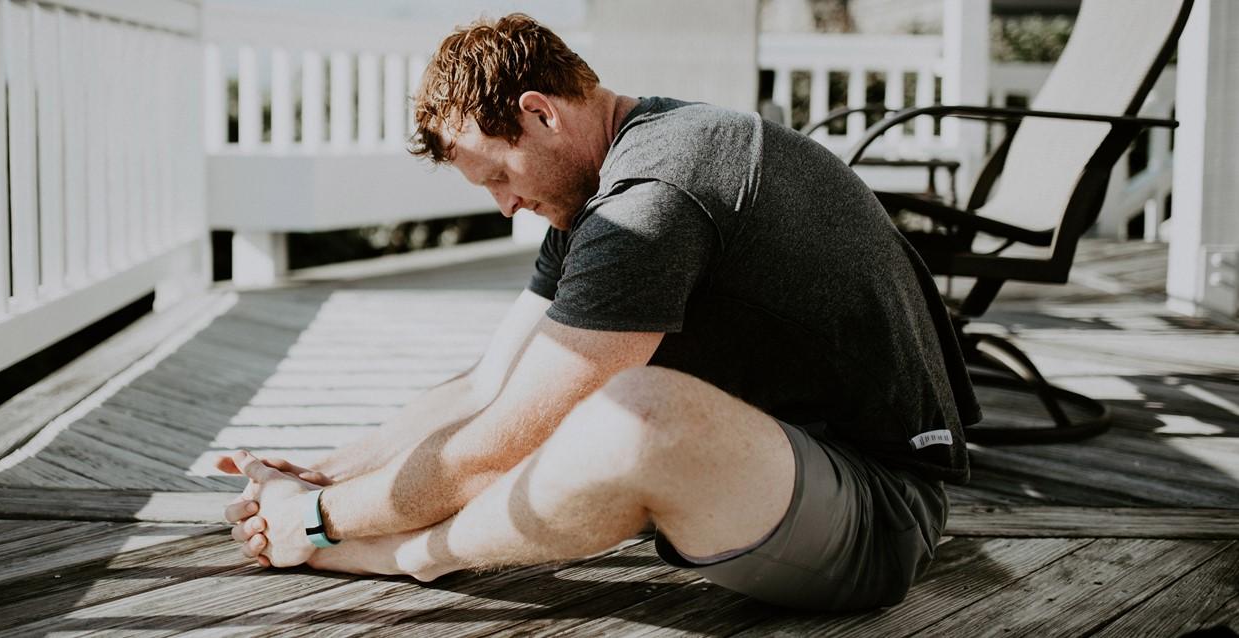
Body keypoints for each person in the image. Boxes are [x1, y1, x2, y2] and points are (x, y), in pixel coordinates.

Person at [216, 13, 979, 612]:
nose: (506, 204)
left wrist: (322, 520)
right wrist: (321, 471)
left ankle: (410, 556)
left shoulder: (653, 197)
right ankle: (371, 532)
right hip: (775, 471)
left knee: (631, 416)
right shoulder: (600, 190)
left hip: (878, 512)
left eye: (499, 176)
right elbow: (490, 385)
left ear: (540, 113)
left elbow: (503, 441)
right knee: (570, 402)